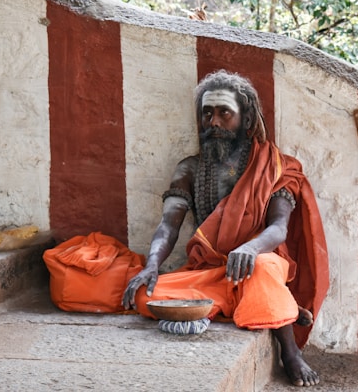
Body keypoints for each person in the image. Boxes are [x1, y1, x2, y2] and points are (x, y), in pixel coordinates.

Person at [122, 70, 329, 387]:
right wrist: (152, 264)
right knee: (145, 296)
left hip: (261, 261)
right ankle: (265, 305)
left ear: (246, 120)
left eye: (224, 113)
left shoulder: (273, 166)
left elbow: (278, 228)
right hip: (212, 269)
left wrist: (249, 248)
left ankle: (289, 352)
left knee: (261, 271)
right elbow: (169, 222)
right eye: (207, 113)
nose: (213, 122)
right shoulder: (189, 168)